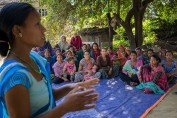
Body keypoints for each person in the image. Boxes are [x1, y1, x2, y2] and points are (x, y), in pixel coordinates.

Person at [0, 2, 99, 118]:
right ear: (17, 30)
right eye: (37, 24)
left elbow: (47, 94)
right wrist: (64, 108)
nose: (44, 29)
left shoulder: (33, 57)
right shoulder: (15, 77)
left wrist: (74, 86)